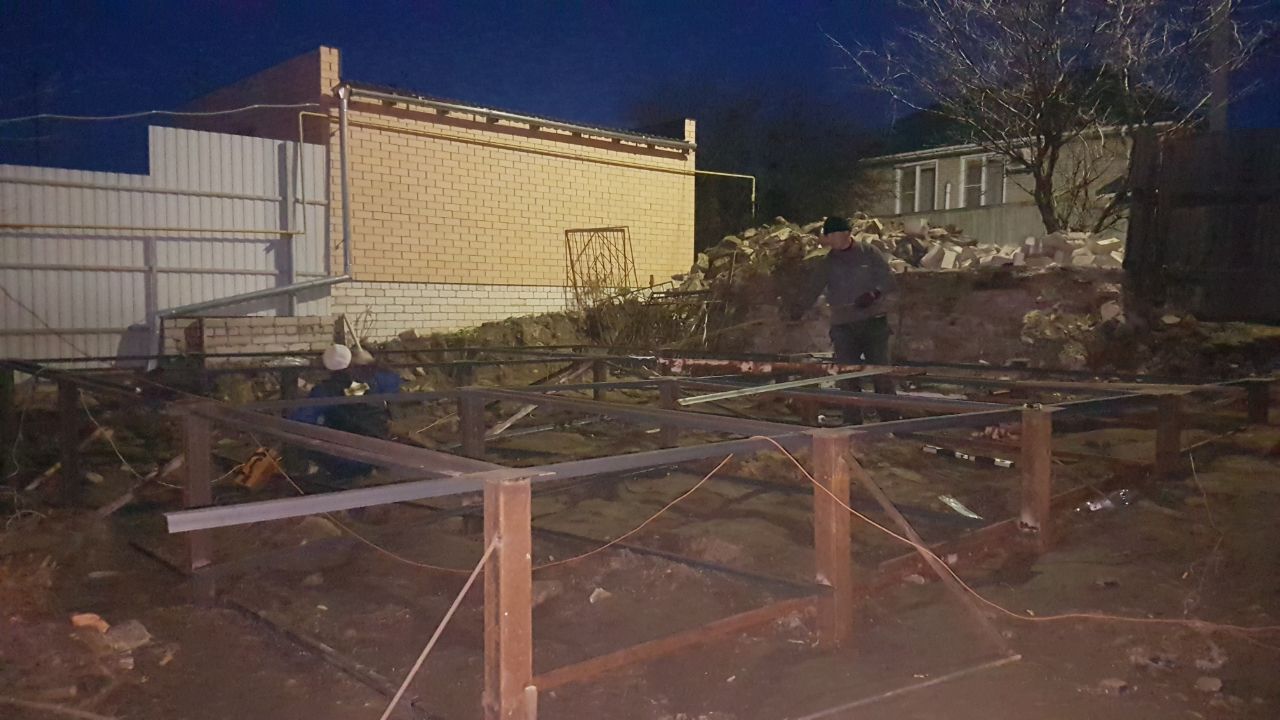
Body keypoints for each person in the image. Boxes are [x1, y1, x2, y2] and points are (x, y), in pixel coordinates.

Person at [793, 214, 898, 425]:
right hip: (844, 326)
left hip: (873, 323)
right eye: (828, 236)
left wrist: (873, 294)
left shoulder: (869, 253)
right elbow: (813, 288)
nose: (829, 240)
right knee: (847, 375)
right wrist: (798, 308)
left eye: (832, 235)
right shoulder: (828, 262)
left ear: (845, 233)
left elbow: (887, 279)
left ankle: (891, 421)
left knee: (881, 373)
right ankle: (852, 422)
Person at [288, 344, 402, 483]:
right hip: (377, 451)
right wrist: (371, 363)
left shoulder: (326, 390)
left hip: (345, 459)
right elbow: (394, 382)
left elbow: (300, 420)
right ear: (351, 361)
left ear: (326, 365)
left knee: (309, 434)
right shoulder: (368, 382)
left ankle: (320, 471)